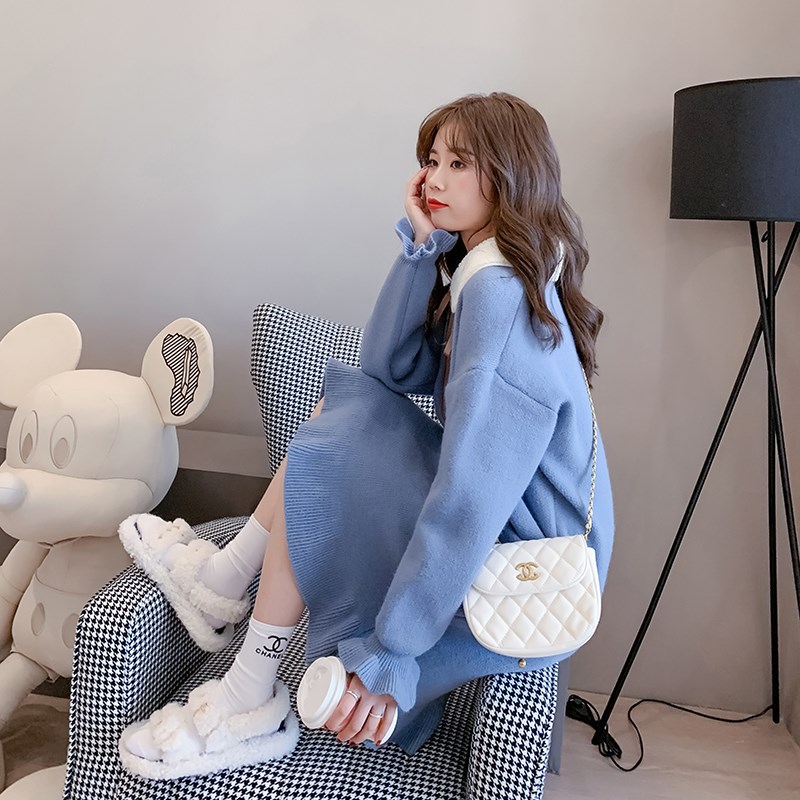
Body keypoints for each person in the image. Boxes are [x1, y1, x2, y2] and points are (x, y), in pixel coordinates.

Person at [117, 91, 614, 779]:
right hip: (505, 523)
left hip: (524, 557)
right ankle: (226, 583)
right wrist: (420, 250)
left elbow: (470, 501)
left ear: (510, 174)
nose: (434, 179)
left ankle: (247, 688)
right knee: (348, 404)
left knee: (335, 442)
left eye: (459, 163)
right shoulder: (482, 272)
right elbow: (386, 369)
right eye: (431, 161)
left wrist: (394, 651)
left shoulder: (500, 299)